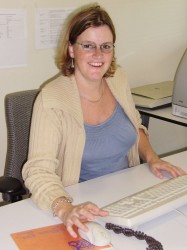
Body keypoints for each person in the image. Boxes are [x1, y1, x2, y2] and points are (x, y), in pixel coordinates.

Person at [22, 3, 185, 238]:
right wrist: (65, 208)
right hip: (79, 201)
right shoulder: (51, 99)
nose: (98, 55)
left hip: (128, 193)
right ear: (71, 49)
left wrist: (152, 158)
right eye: (88, 46)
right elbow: (38, 170)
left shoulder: (118, 78)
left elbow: (136, 126)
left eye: (105, 46)